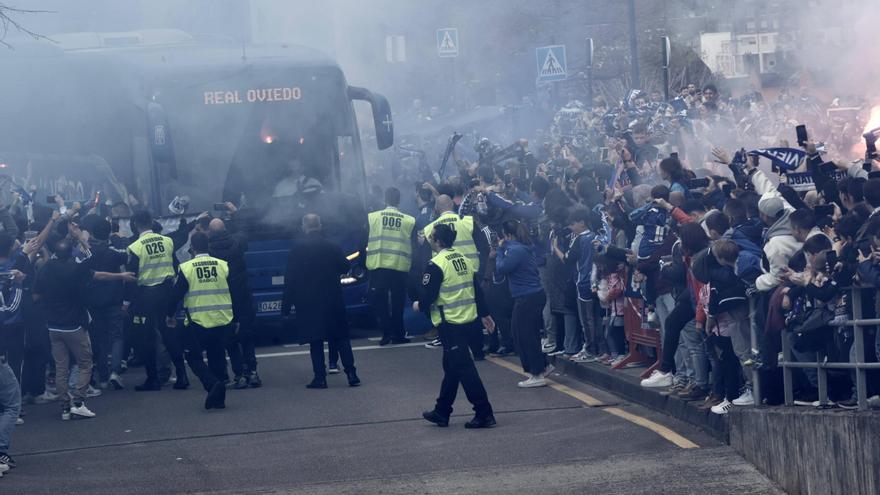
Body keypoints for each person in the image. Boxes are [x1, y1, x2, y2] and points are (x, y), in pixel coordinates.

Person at [34, 236, 135, 420]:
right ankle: (78, 402)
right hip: (74, 324)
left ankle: (65, 407)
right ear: (70, 253)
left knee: (61, 367)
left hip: (53, 326)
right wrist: (121, 275)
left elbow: (36, 296)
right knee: (85, 362)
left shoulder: (45, 269)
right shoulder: (75, 269)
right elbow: (98, 273)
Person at [417, 223, 496, 428]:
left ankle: (484, 412)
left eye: (432, 237)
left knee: (464, 369)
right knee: (451, 367)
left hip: (450, 323)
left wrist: (419, 304)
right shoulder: (463, 258)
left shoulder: (436, 264)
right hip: (468, 320)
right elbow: (476, 289)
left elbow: (429, 295)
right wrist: (485, 313)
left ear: (439, 241)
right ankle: (442, 411)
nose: (430, 240)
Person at [281, 214, 360, 389]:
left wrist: (286, 306)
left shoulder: (297, 250)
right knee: (341, 337)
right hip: (333, 299)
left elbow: (290, 280)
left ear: (304, 226)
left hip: (309, 301)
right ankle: (352, 374)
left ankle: (320, 378)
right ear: (320, 225)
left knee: (315, 341)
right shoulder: (332, 246)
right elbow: (346, 267)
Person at [165, 232, 231, 410]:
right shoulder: (222, 265)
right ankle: (219, 398)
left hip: (198, 321)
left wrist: (169, 315)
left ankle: (212, 385)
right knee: (216, 356)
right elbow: (233, 292)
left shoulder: (187, 268)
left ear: (192, 248)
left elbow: (175, 295)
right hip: (221, 319)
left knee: (193, 357)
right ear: (208, 245)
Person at [126, 210, 189, 391]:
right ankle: (182, 375)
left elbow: (132, 276)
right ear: (152, 222)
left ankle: (152, 379)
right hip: (167, 291)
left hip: (146, 294)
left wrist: (127, 301)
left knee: (145, 337)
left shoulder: (135, 247)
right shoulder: (167, 241)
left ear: (136, 224)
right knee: (169, 334)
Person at [207, 215, 261, 388]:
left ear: (210, 232)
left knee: (229, 338)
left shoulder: (209, 250)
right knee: (247, 335)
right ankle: (252, 372)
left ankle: (239, 374)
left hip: (222, 298)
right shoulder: (237, 243)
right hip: (243, 296)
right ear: (225, 230)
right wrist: (236, 213)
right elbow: (244, 230)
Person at [79, 215, 128, 390]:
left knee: (98, 339)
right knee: (116, 336)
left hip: (92, 301)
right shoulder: (112, 252)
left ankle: (103, 377)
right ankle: (116, 371)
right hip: (114, 299)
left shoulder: (87, 252)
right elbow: (127, 254)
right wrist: (117, 238)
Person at [366, 187, 415, 345]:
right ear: (398, 200)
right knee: (398, 302)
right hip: (399, 267)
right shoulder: (408, 220)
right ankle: (398, 334)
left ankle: (386, 333)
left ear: (385, 200)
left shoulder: (373, 217)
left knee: (380, 301)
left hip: (379, 266)